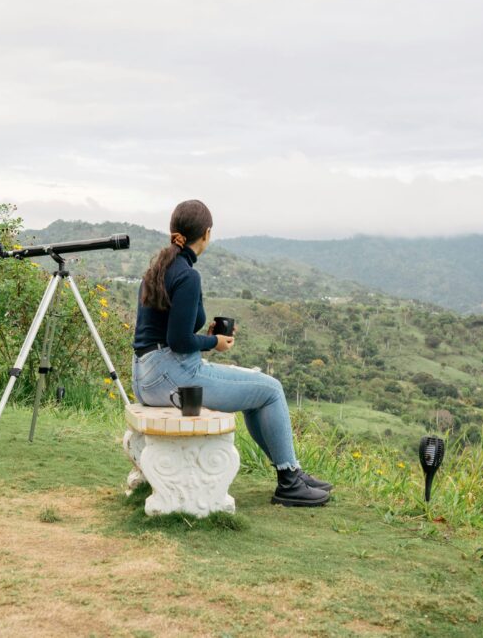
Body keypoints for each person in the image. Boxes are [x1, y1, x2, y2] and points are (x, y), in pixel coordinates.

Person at [131, 200, 332, 506]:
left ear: (174, 232)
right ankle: (289, 480)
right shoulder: (187, 275)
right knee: (271, 389)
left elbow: (168, 334)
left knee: (256, 391)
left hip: (147, 375)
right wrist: (215, 343)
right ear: (207, 234)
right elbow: (179, 340)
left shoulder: (157, 269)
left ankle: (291, 472)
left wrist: (206, 338)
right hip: (173, 376)